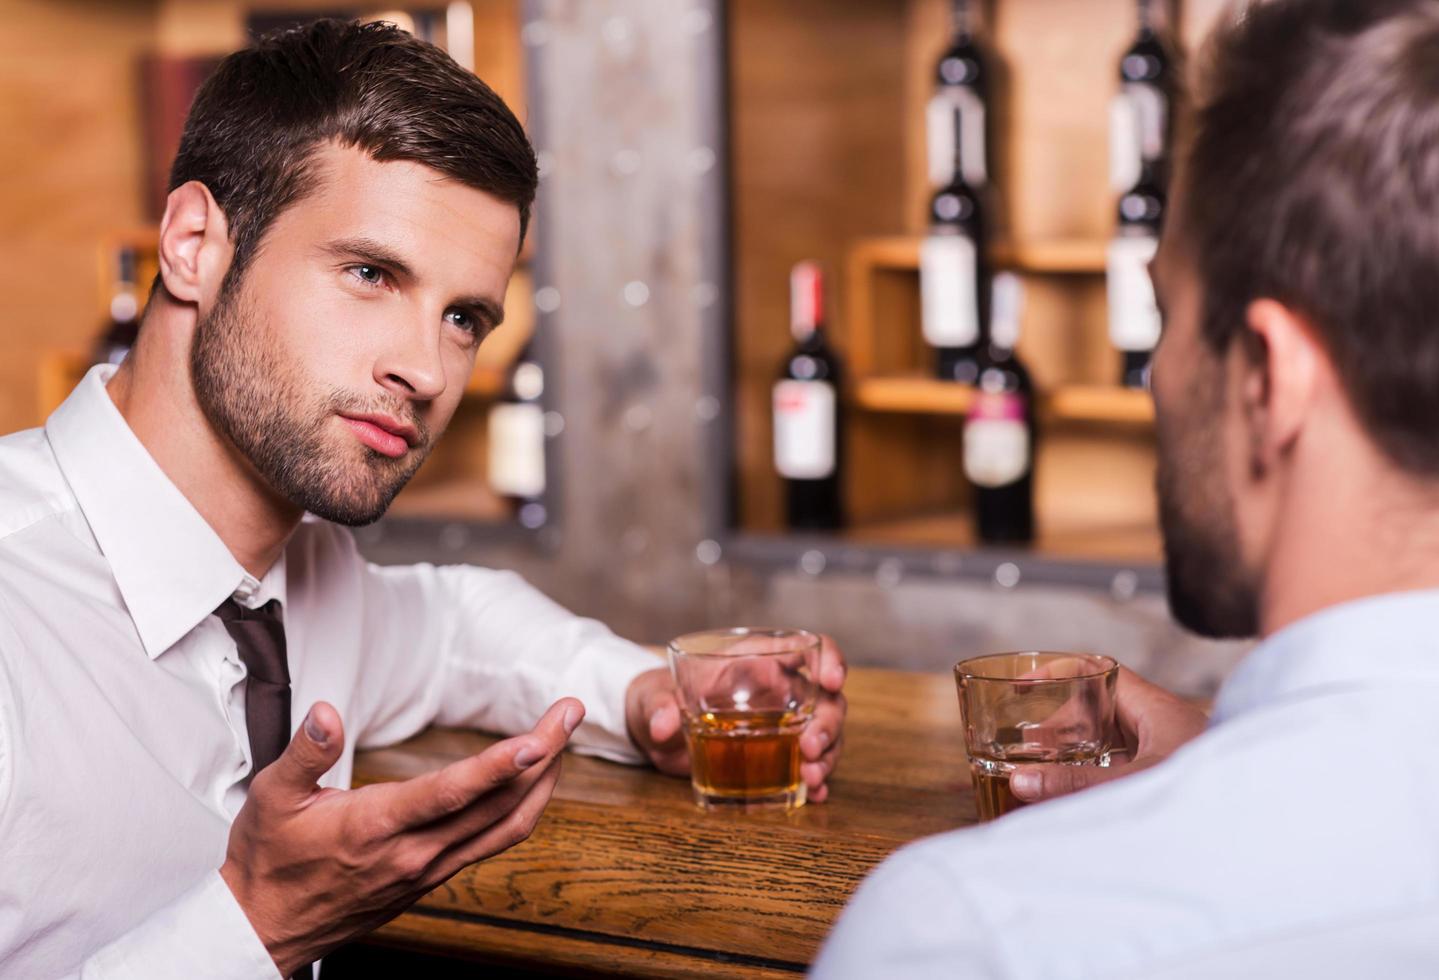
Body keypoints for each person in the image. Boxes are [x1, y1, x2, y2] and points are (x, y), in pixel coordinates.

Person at [0, 20, 848, 979]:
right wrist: (259, 928)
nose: (426, 370)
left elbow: (451, 627)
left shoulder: (302, 580)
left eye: (463, 318)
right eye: (369, 273)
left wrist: (643, 695)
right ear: (195, 244)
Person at [814, 0, 1439, 976]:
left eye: (1165, 313)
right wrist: (1224, 742)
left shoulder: (969, 929)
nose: (1157, 373)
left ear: (1263, 376)